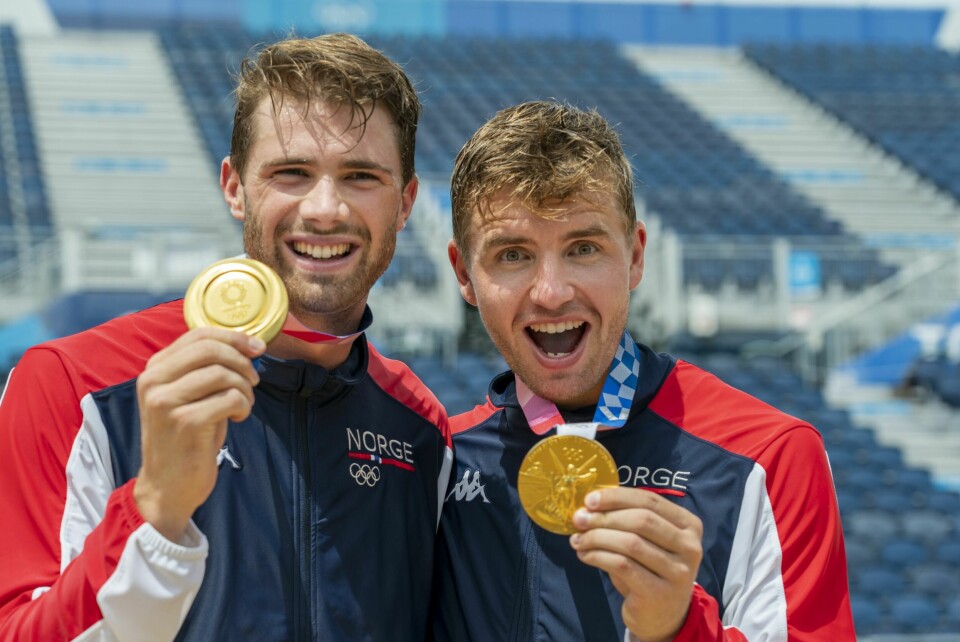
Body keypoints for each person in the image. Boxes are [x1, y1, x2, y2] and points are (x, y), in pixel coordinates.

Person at [0, 33, 452, 641]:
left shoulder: (420, 423)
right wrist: (155, 507)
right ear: (235, 187)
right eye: (292, 172)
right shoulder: (73, 383)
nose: (325, 209)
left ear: (406, 203)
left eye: (361, 176)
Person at [431, 101, 854, 641]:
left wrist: (676, 626)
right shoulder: (437, 462)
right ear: (465, 275)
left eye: (584, 248)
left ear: (634, 256)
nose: (552, 292)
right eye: (513, 255)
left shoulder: (770, 456)